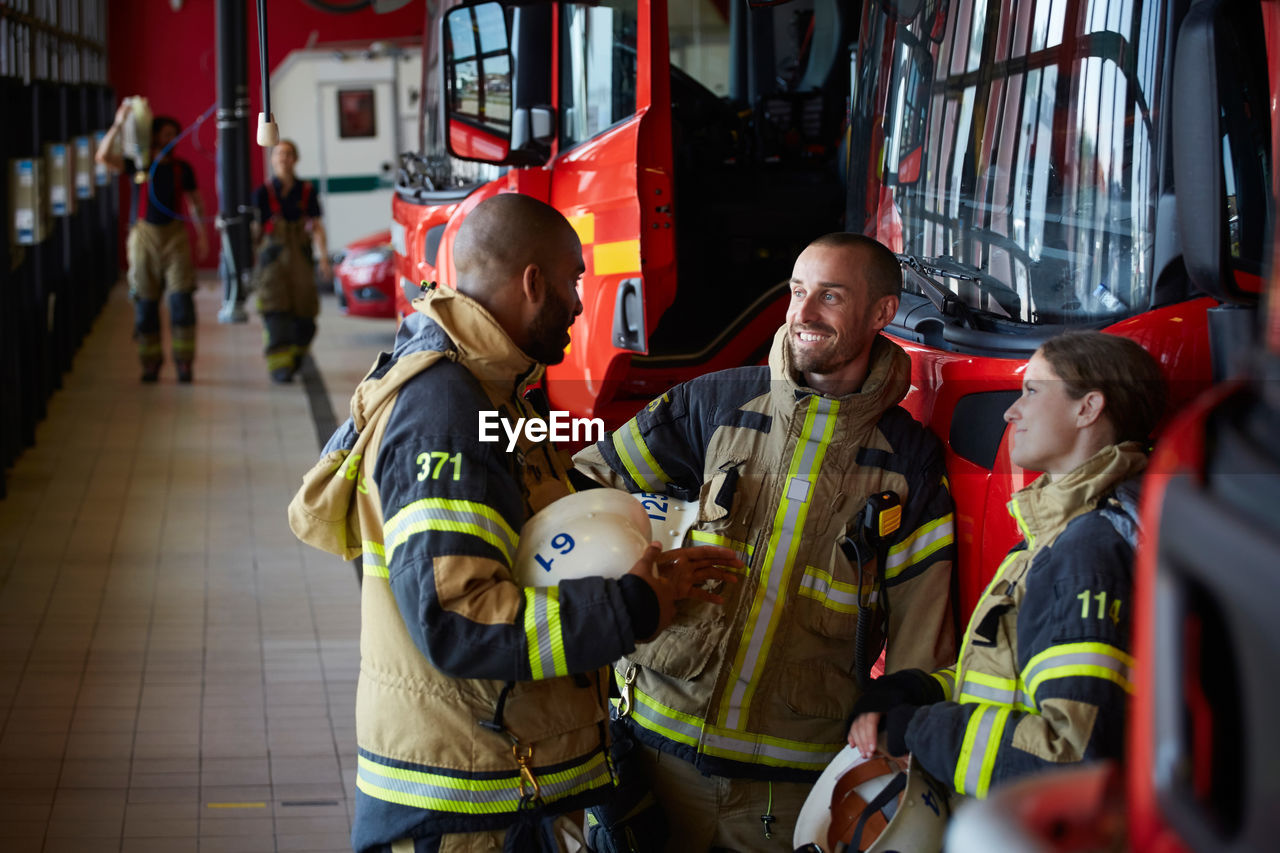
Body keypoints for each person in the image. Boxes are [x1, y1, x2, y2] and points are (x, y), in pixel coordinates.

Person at [287, 193, 741, 853]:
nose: (581, 304)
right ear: (532, 283)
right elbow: (458, 617)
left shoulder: (494, 391)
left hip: (495, 777)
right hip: (457, 802)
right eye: (572, 282)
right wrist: (629, 606)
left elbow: (539, 543)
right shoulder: (443, 407)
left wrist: (645, 566)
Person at [572, 232, 957, 851]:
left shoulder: (908, 462)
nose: (803, 314)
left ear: (882, 313)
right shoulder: (714, 404)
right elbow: (589, 489)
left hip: (787, 795)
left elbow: (923, 632)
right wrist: (635, 575)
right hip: (653, 767)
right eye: (797, 291)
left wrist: (897, 731)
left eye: (829, 297)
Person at [846, 331, 1167, 802]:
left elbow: (1071, 757)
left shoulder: (1088, 551)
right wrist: (920, 689)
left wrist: (919, 729)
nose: (1010, 412)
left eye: (1032, 391)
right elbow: (1008, 681)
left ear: (1087, 408)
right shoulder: (1051, 537)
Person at [96, 99, 209, 383]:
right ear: (154, 135)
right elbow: (102, 157)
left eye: (175, 134)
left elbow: (195, 202)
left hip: (176, 237)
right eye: (165, 134)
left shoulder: (182, 169)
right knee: (145, 303)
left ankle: (184, 363)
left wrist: (203, 235)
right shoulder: (137, 164)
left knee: (182, 300)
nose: (171, 139)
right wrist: (119, 123)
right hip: (143, 237)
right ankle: (150, 362)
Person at [251, 139, 331, 383]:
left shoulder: (306, 191)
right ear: (273, 160)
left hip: (301, 261)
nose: (283, 158)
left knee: (306, 317)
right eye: (279, 154)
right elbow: (255, 230)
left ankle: (295, 358)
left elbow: (316, 227)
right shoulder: (262, 193)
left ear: (295, 159)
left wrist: (324, 258)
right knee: (276, 313)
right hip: (272, 261)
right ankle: (279, 367)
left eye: (288, 154)